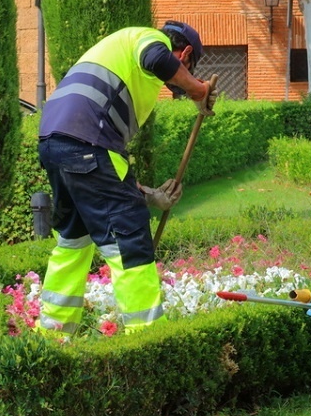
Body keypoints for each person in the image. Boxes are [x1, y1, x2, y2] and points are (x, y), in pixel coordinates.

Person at [37, 21, 217, 339]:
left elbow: (102, 176)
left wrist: (147, 196)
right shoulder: (149, 40)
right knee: (128, 238)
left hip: (56, 144)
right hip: (86, 144)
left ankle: (53, 334)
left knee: (73, 240)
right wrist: (198, 89)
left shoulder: (120, 53)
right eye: (187, 66)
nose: (178, 79)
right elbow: (158, 59)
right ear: (185, 53)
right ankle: (147, 337)